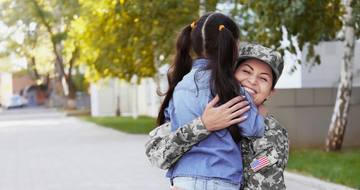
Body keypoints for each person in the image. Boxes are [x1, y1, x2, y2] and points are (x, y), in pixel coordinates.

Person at [146, 44, 290, 190]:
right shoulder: (202, 107)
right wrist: (203, 125)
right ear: (231, 76)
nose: (252, 81)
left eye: (263, 78)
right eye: (246, 71)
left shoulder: (273, 132)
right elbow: (157, 155)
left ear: (271, 92)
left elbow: (268, 184)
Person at [157, 12, 266, 189]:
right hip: (223, 178)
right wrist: (261, 112)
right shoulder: (230, 87)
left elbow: (171, 125)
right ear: (232, 47)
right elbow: (251, 128)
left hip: (184, 179)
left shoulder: (179, 86)